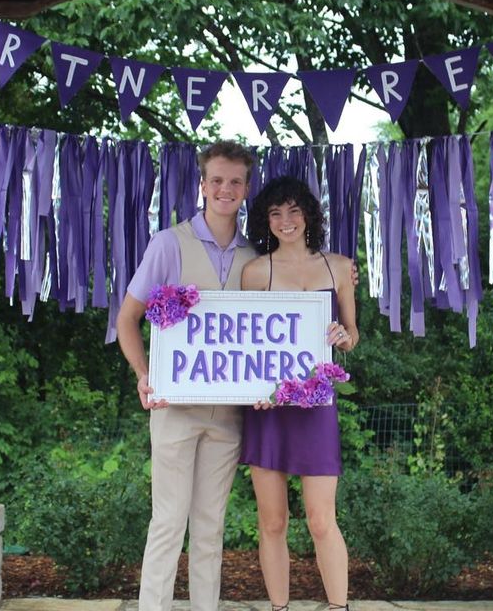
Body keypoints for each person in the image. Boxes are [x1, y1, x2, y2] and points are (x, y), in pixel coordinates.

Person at [116, 140, 258, 611]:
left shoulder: (255, 257)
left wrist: (342, 277)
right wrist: (144, 373)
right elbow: (127, 319)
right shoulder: (168, 243)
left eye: (235, 181)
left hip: (228, 415)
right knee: (168, 523)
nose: (225, 189)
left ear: (246, 188)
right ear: (202, 184)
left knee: (210, 529)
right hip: (175, 409)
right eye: (216, 180)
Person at [239, 175, 359, 611]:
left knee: (322, 520)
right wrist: (252, 388)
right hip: (268, 408)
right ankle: (279, 608)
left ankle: (339, 607)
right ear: (265, 221)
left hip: (316, 406)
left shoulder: (340, 267)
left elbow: (353, 335)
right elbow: (245, 343)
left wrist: (344, 337)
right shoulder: (255, 272)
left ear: (308, 213)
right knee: (272, 522)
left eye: (293, 210)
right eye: (275, 213)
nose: (285, 220)